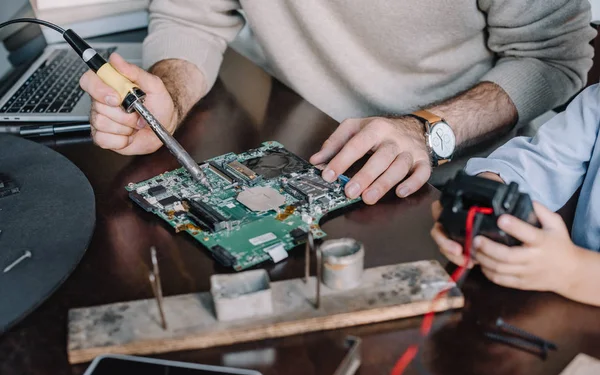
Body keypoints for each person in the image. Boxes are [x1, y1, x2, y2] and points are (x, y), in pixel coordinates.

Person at [80, 0, 594, 204]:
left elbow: (554, 59)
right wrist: (170, 96)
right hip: (297, 150)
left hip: (459, 180)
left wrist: (427, 130)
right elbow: (191, 14)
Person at [430, 83, 600, 307]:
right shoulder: (595, 103)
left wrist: (572, 271)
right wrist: (480, 193)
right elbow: (540, 162)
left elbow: (571, 272)